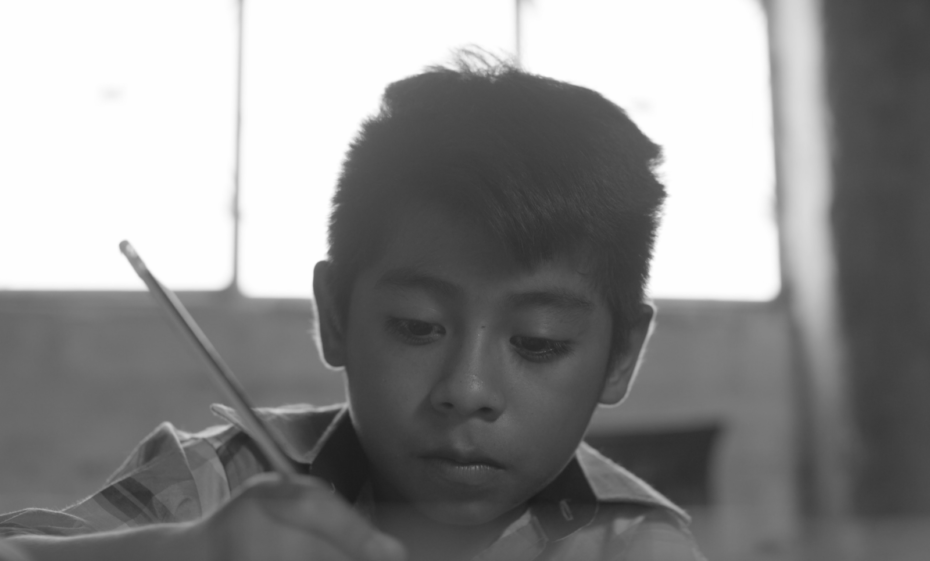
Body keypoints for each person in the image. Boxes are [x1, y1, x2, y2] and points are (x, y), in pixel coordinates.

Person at [0, 51, 706, 561]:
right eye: (417, 326)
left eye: (540, 341)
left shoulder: (637, 546)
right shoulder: (215, 486)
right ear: (335, 313)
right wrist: (179, 552)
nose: (466, 390)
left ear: (620, 355)